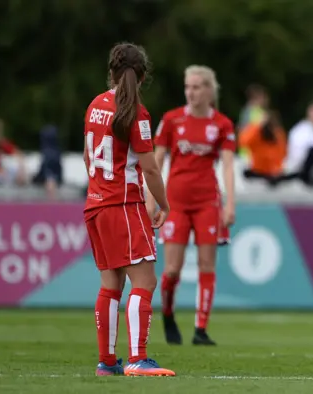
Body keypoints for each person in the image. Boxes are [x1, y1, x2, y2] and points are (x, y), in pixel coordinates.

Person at [84, 43, 174, 377]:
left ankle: (107, 363)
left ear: (111, 70)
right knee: (145, 281)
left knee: (110, 284)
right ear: (143, 75)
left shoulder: (95, 105)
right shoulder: (136, 112)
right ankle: (137, 358)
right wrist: (164, 204)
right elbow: (150, 169)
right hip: (123, 205)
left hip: (95, 205)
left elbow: (86, 157)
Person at [148, 65, 236, 346]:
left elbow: (228, 167)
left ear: (210, 90)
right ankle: (169, 314)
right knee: (172, 269)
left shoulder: (222, 124)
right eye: (188, 86)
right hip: (175, 202)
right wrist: (152, 199)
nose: (191, 92)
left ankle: (201, 329)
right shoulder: (172, 120)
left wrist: (229, 203)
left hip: (207, 202)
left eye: (197, 86)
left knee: (206, 265)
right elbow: (156, 160)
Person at [239, 110, 287, 186]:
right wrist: (257, 126)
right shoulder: (257, 134)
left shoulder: (278, 134)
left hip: (273, 175)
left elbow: (282, 155)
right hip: (257, 173)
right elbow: (243, 141)